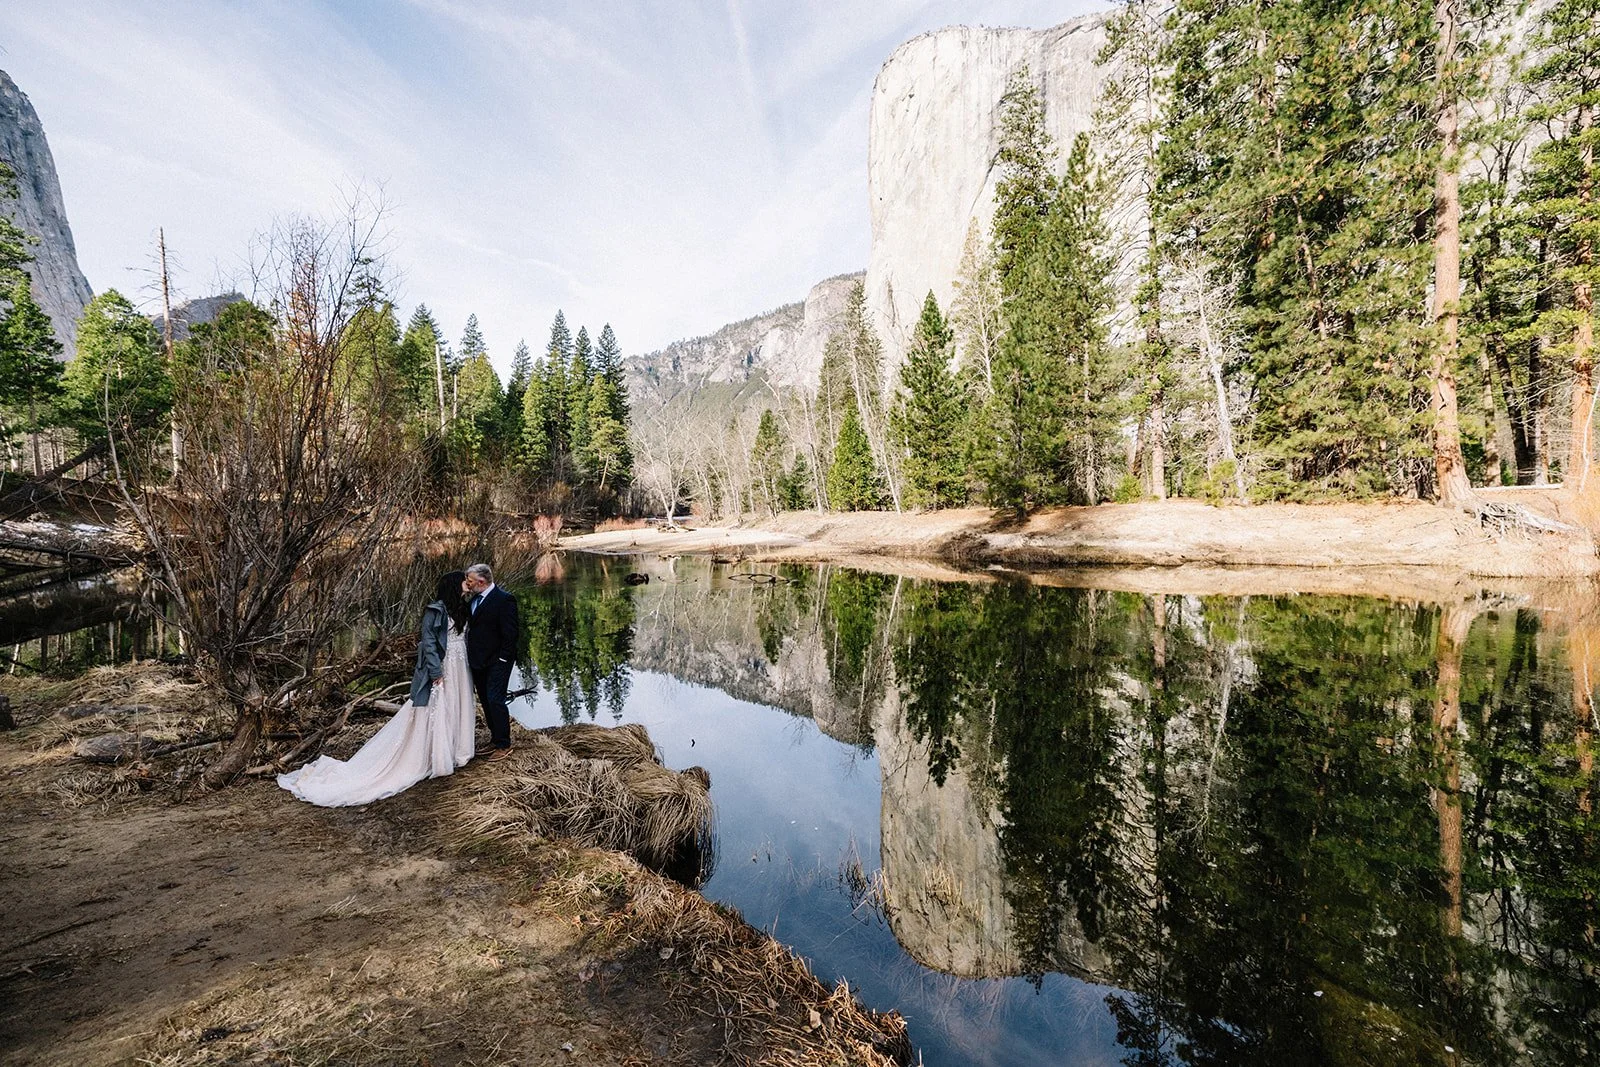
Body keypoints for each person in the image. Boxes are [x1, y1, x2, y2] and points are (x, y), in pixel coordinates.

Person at [277, 570, 476, 805]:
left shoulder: (462, 608)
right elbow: (429, 643)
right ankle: (436, 754)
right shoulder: (435, 610)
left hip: (461, 663)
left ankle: (457, 749)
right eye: (465, 581)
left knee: (459, 704)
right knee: (441, 706)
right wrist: (436, 672)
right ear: (454, 585)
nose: (468, 584)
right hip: (445, 665)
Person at [464, 562, 520, 762]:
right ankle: (495, 739)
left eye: (469, 581)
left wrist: (504, 658)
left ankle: (504, 744)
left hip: (498, 661)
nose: (467, 584)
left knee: (495, 699)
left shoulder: (504, 600)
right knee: (486, 701)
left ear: (481, 581)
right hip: (478, 661)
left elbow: (511, 633)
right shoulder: (472, 601)